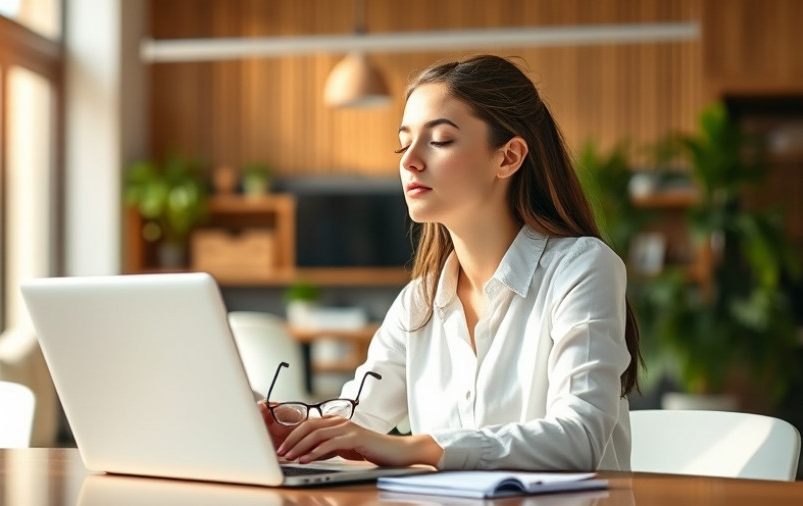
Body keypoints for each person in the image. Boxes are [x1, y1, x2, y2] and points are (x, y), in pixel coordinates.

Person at [259, 54, 642, 471]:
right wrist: (290, 422)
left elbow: (579, 437)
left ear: (509, 157)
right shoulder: (419, 302)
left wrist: (415, 448)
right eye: (404, 143)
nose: (409, 161)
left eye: (438, 140)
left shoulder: (582, 269)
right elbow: (357, 415)